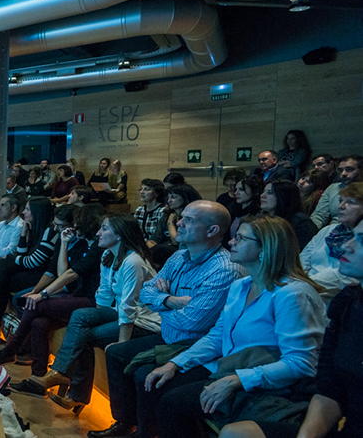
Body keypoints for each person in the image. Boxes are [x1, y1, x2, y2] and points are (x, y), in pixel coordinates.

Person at [149, 216, 326, 438]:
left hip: (278, 387)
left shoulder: (292, 294)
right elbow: (218, 335)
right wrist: (175, 363)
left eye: (240, 238)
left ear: (265, 249)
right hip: (236, 371)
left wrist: (238, 380)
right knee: (160, 385)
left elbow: (302, 364)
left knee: (172, 402)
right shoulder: (241, 286)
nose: (231, 242)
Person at [91, 200, 244, 438]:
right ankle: (125, 422)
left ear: (212, 231)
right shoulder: (179, 256)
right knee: (116, 353)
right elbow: (146, 293)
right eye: (181, 217)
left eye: (189, 220)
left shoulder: (223, 269)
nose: (179, 224)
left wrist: (160, 299)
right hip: (169, 334)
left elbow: (192, 323)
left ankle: (145, 432)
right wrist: (170, 300)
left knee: (144, 374)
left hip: (195, 344)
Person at [7, 212, 159, 406]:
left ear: (120, 235)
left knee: (79, 321)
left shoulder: (133, 262)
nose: (98, 233)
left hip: (144, 321)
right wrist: (94, 317)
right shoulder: (108, 255)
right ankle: (73, 392)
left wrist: (122, 344)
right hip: (119, 311)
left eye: (104, 229)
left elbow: (130, 307)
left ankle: (61, 375)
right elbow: (104, 296)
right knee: (79, 321)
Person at [0, 197, 59, 344]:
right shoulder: (33, 228)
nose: (23, 212)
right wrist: (24, 233)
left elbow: (34, 261)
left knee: (3, 266)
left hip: (44, 277)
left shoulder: (50, 231)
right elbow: (24, 255)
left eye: (27, 209)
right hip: (33, 271)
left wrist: (11, 258)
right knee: (2, 280)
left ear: (37, 212)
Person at [301, 182, 363, 305]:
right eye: (340, 201)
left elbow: (344, 277)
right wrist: (296, 281)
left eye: (350, 202)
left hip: (334, 299)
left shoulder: (359, 241)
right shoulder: (328, 230)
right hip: (306, 289)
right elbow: (303, 260)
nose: (341, 206)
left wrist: (301, 285)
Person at [260, 179, 318, 248]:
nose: (262, 195)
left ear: (284, 196)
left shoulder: (301, 223)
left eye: (270, 192)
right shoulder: (265, 220)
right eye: (264, 191)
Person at [311, 155, 362, 228]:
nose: (343, 174)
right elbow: (319, 216)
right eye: (341, 170)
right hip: (333, 230)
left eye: (349, 169)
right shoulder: (333, 188)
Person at [135, 179, 168, 246]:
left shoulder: (162, 211)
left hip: (156, 246)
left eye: (146, 189)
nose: (142, 192)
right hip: (140, 245)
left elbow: (160, 236)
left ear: (157, 193)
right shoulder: (139, 210)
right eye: (141, 189)